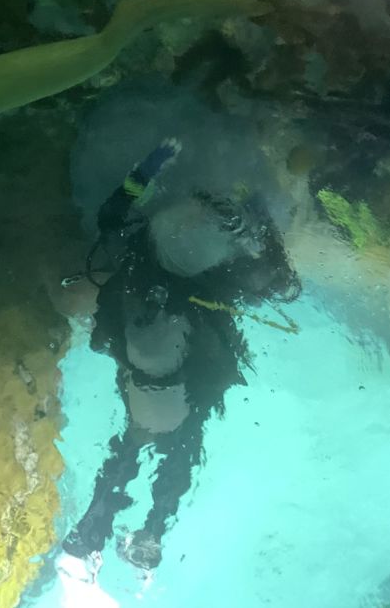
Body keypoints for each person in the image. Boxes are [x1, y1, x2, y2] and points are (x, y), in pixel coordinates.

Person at [61, 138, 300, 572]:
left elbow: (112, 218)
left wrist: (147, 170)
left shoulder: (144, 259)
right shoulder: (196, 272)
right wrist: (263, 226)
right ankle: (139, 526)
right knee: (175, 439)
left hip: (155, 357)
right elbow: (272, 281)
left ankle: (102, 528)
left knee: (147, 434)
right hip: (173, 362)